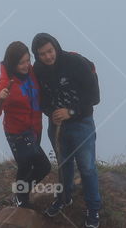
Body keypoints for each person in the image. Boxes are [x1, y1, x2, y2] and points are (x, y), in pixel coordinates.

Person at [32, 32, 102, 228]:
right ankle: (64, 198)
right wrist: (50, 112)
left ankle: (93, 209)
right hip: (57, 126)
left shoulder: (75, 63)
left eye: (50, 51)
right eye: (42, 54)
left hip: (82, 123)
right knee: (64, 164)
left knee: (87, 167)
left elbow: (94, 96)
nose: (47, 57)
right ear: (37, 55)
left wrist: (70, 111)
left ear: (56, 47)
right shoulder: (38, 69)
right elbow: (42, 99)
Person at [0, 41, 51, 208]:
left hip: (35, 129)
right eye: (21, 62)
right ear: (12, 63)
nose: (26, 65)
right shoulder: (6, 83)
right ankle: (21, 197)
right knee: (42, 166)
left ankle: (20, 195)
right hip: (17, 133)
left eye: (28, 60)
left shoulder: (32, 73)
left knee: (30, 166)